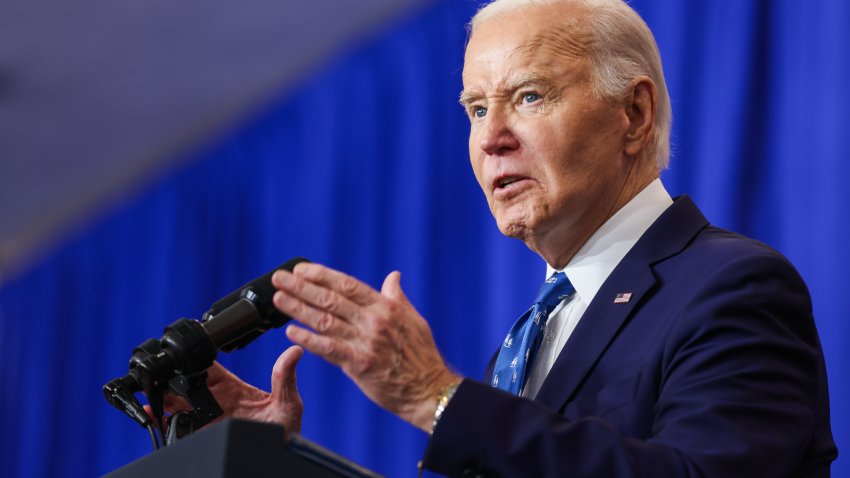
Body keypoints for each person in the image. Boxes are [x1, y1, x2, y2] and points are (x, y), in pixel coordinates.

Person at [166, 0, 837, 475]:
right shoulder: (521, 349)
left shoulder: (730, 286)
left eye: (530, 97)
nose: (491, 139)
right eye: (477, 108)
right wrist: (271, 466)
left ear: (633, 115)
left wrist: (437, 397)